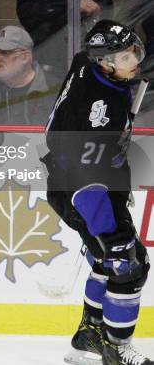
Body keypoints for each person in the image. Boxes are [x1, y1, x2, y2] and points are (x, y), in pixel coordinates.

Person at [43, 20, 152, 365]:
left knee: (107, 262)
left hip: (90, 181)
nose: (133, 60)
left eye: (132, 50)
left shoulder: (87, 64)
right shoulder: (95, 111)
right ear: (104, 62)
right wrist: (109, 229)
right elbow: (84, 178)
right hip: (85, 191)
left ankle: (87, 336)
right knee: (128, 265)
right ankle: (116, 348)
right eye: (122, 57)